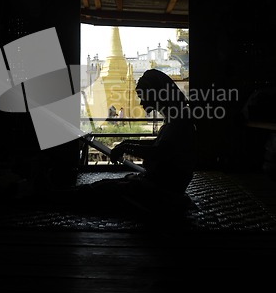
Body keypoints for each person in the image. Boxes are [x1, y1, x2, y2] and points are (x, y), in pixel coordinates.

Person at [31, 69, 197, 219]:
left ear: (155, 93)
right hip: (161, 184)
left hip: (164, 190)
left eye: (142, 96)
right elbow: (159, 146)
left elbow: (160, 152)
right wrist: (126, 144)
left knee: (101, 190)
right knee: (103, 186)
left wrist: (125, 147)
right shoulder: (176, 117)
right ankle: (52, 194)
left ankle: (48, 196)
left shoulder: (179, 120)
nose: (141, 103)